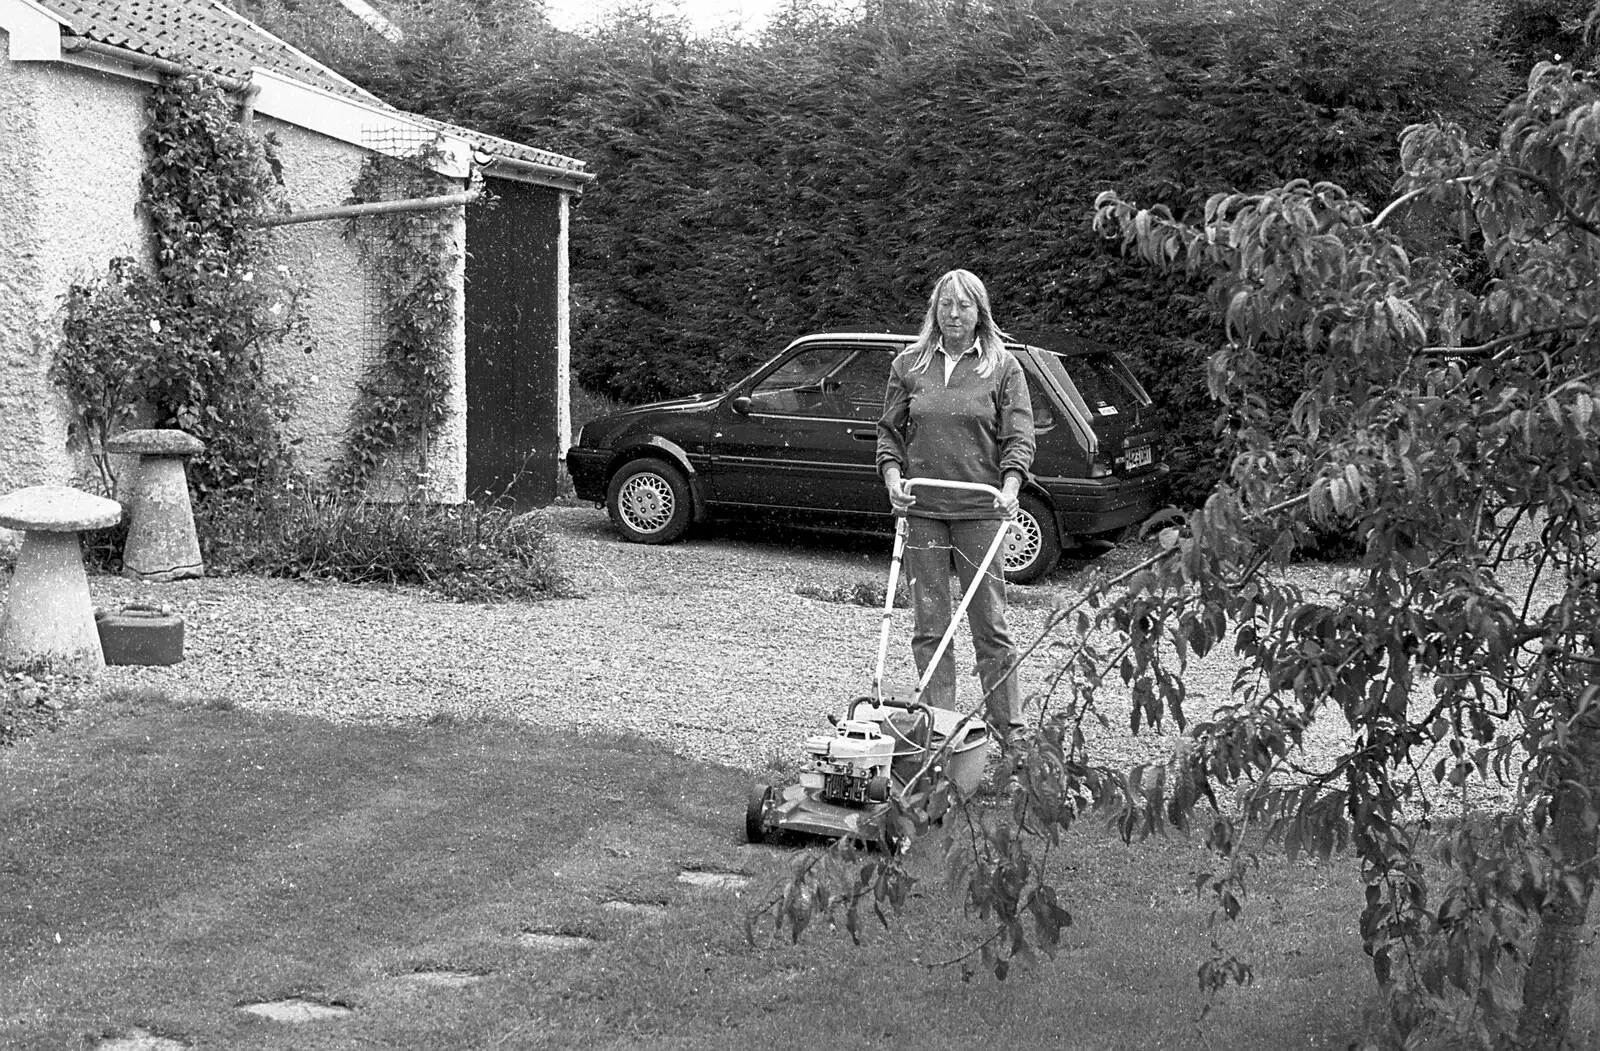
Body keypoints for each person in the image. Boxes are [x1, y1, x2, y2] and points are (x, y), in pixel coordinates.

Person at [876, 269, 1035, 737]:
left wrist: (1010, 489)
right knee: (930, 624)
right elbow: (889, 435)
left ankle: (1010, 730)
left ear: (979, 312)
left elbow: (1019, 437)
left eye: (964, 305)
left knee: (990, 625)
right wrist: (892, 479)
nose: (954, 314)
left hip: (980, 513)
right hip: (922, 511)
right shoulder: (909, 366)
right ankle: (939, 729)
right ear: (934, 310)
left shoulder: (1003, 368)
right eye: (946, 304)